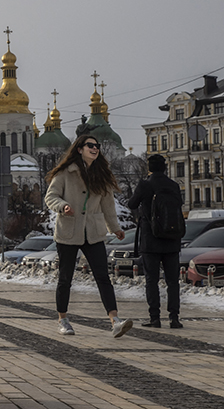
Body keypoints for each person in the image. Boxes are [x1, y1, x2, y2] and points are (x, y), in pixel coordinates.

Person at [45, 134, 133, 338]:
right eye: (90, 145)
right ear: (79, 149)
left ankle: (115, 321)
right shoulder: (66, 173)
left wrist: (115, 228)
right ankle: (63, 319)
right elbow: (51, 197)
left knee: (103, 276)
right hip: (68, 231)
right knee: (65, 278)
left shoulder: (102, 175)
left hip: (93, 232)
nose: (95, 148)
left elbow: (108, 207)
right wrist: (63, 206)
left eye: (97, 146)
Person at [127, 154, 184, 328]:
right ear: (165, 168)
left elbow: (132, 204)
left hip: (151, 239)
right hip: (172, 239)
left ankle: (155, 318)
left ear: (149, 168)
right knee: (172, 281)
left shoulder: (145, 184)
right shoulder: (173, 185)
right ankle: (174, 318)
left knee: (152, 279)